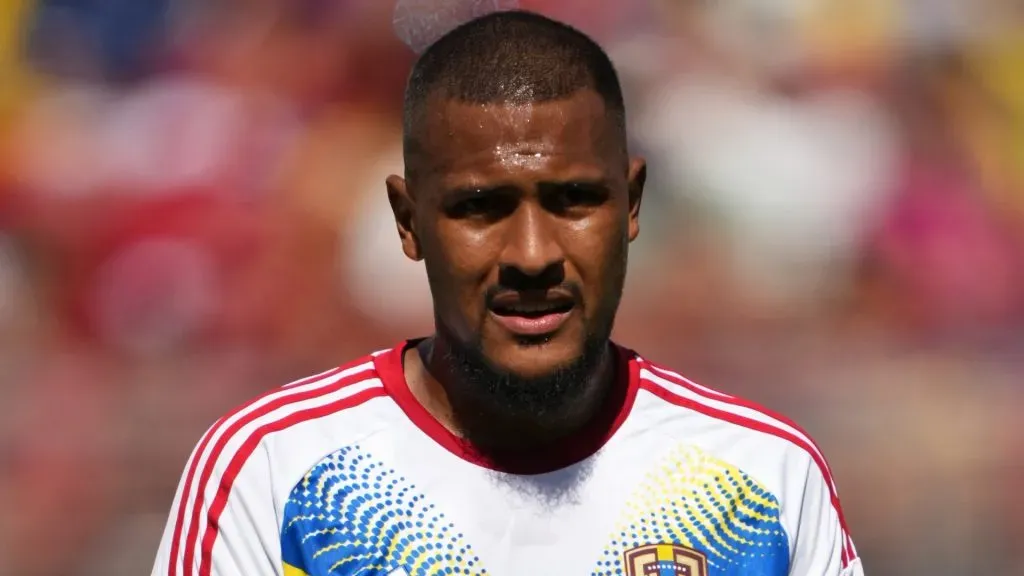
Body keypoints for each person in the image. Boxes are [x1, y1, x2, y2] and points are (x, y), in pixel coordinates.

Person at [151, 10, 863, 576]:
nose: (532, 255)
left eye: (575, 200)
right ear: (409, 222)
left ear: (633, 202)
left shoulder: (762, 478)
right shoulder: (275, 473)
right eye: (482, 207)